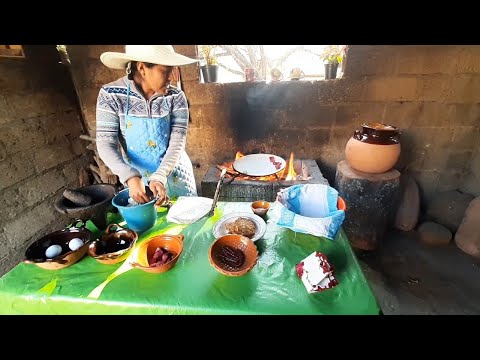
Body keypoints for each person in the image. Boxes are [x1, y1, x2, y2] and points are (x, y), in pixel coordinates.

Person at [96, 45, 198, 206]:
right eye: (165, 71)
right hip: (139, 183)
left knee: (187, 224)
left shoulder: (176, 96)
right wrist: (129, 176)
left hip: (176, 175)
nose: (171, 77)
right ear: (142, 68)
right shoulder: (111, 95)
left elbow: (178, 141)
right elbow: (105, 143)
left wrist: (160, 176)